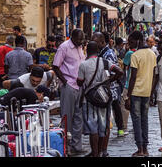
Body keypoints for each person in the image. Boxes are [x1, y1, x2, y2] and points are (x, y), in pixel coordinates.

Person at [77, 41, 123, 157]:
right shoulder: (105, 62)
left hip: (89, 99)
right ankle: (102, 151)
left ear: (87, 51)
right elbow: (120, 71)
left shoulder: (83, 65)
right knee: (103, 126)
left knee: (93, 128)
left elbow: (79, 82)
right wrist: (109, 81)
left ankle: (95, 153)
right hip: (104, 97)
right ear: (98, 51)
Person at [52, 28, 86, 156]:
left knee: (79, 117)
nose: (81, 41)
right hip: (69, 85)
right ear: (72, 37)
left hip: (79, 86)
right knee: (67, 117)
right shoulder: (64, 47)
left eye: (82, 39)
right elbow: (55, 66)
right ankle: (65, 145)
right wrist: (65, 82)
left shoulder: (80, 47)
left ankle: (77, 145)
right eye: (79, 39)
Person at [125, 31, 157, 157]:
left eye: (131, 41)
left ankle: (140, 149)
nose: (129, 44)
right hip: (147, 92)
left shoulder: (135, 55)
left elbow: (132, 78)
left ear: (137, 40)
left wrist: (128, 96)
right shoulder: (152, 54)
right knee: (144, 120)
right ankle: (145, 148)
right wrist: (152, 92)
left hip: (136, 92)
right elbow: (154, 76)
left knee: (136, 120)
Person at [92, 32, 126, 139]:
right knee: (114, 108)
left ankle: (118, 129)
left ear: (102, 42)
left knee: (114, 107)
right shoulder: (101, 52)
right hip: (106, 86)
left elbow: (116, 72)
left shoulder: (108, 54)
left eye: (95, 41)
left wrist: (106, 81)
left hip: (110, 87)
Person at [120, 35, 137, 135]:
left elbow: (124, 66)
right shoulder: (139, 53)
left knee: (124, 105)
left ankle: (124, 126)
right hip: (138, 85)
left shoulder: (130, 53)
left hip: (128, 83)